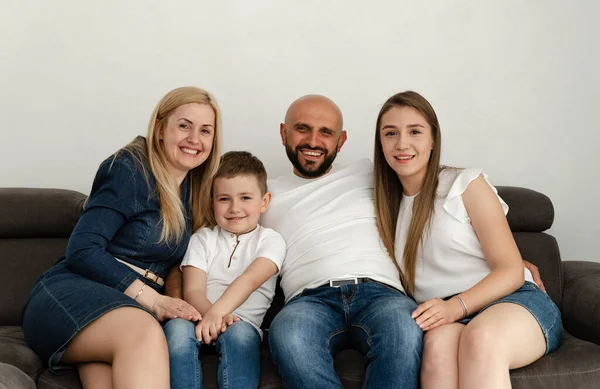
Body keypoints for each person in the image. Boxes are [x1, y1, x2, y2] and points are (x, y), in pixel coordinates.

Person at [22, 86, 222, 389]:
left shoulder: (195, 189)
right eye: (184, 125)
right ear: (159, 129)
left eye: (205, 131)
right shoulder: (130, 167)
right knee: (143, 332)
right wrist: (154, 300)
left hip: (119, 317)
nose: (195, 139)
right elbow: (83, 249)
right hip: (74, 296)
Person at [372, 91, 562, 389]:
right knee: (436, 352)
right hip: (447, 317)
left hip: (512, 302)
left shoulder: (465, 184)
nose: (402, 143)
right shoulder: (381, 203)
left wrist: (455, 307)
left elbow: (510, 270)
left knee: (481, 340)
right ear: (380, 143)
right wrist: (449, 312)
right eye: (391, 133)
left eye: (415, 132)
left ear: (433, 139)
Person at [261, 95, 423, 389]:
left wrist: (490, 255)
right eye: (302, 128)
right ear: (284, 132)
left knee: (404, 329)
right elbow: (219, 241)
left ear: (341, 140)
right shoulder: (260, 195)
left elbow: (441, 197)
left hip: (381, 295)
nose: (313, 141)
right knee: (288, 333)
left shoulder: (372, 173)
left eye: (326, 132)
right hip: (309, 301)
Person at [164, 151, 286, 389]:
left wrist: (218, 315)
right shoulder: (202, 239)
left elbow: (249, 280)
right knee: (176, 330)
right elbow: (193, 291)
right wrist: (212, 317)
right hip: (198, 317)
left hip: (243, 323)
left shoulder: (271, 240)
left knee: (238, 336)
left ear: (264, 202)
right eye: (224, 199)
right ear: (212, 202)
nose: (234, 208)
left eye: (245, 198)